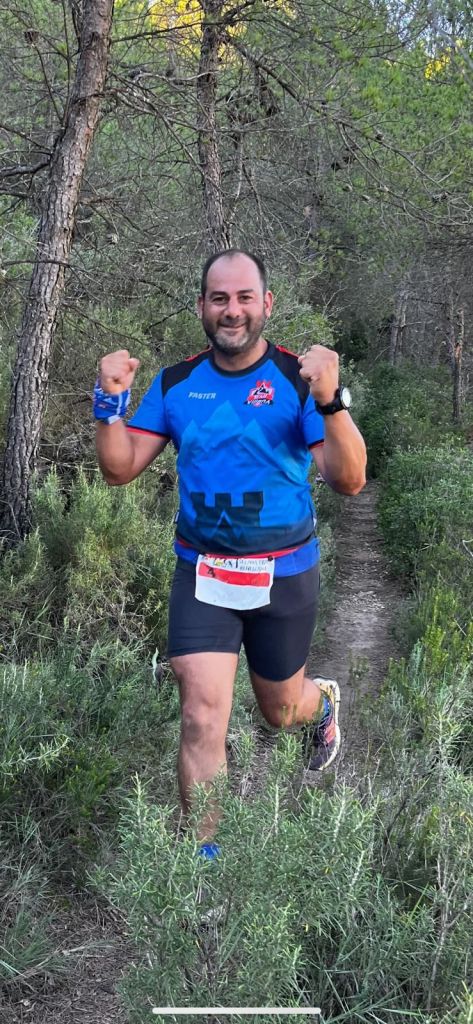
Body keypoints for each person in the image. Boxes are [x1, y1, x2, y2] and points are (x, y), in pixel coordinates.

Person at [94, 249, 366, 855]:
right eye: (219, 298)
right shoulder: (176, 383)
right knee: (200, 715)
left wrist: (330, 399)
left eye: (244, 297)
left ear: (266, 304)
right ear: (201, 306)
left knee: (281, 710)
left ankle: (319, 704)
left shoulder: (297, 379)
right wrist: (109, 401)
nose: (232, 310)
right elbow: (118, 469)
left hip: (284, 573)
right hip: (203, 572)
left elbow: (348, 480)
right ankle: (206, 863)